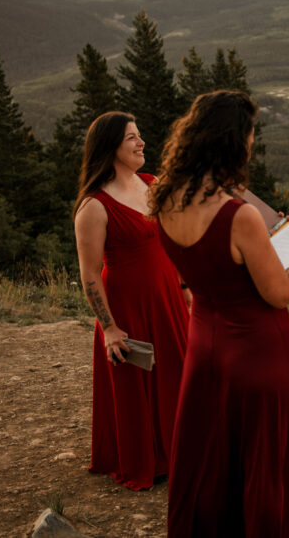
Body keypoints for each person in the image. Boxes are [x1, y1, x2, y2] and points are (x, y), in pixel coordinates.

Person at [151, 90, 289, 537]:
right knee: (272, 467)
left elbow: (207, 270)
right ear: (237, 141)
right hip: (259, 354)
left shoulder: (164, 200)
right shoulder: (238, 216)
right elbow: (280, 292)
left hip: (204, 348)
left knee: (214, 466)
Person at [73, 111, 190, 491]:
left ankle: (185, 452)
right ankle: (149, 457)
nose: (141, 143)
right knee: (141, 380)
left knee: (180, 373)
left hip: (168, 297)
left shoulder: (151, 184)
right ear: (110, 147)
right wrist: (108, 327)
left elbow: (172, 241)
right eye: (131, 139)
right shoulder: (93, 206)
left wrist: (186, 288)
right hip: (128, 307)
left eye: (139, 136)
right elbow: (90, 273)